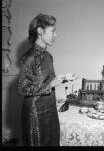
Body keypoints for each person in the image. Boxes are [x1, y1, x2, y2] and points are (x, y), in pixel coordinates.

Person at [18, 13, 66, 146]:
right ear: (40, 31)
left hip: (50, 109)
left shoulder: (49, 56)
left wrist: (57, 80)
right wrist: (51, 84)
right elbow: (23, 88)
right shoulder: (28, 58)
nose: (56, 35)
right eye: (53, 31)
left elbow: (44, 81)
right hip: (35, 113)